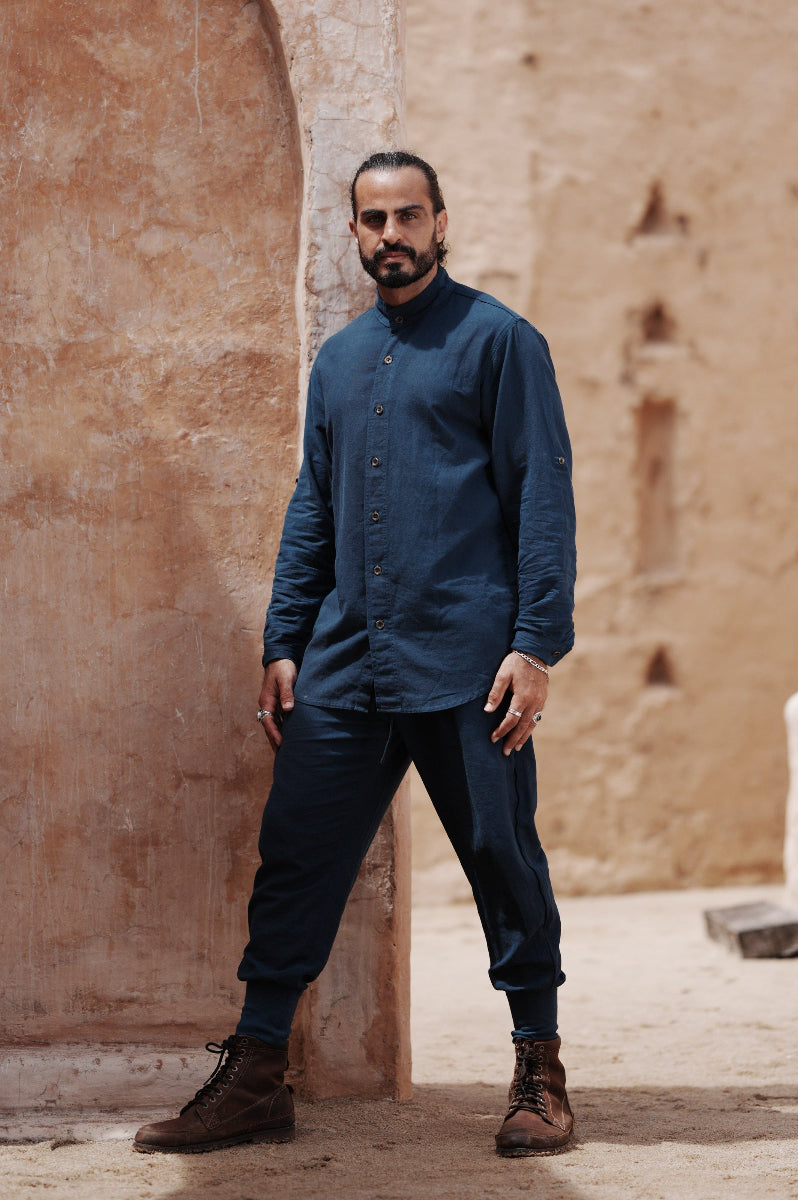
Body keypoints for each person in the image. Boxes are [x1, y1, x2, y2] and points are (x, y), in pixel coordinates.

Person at [134, 150, 577, 1158]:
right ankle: (255, 1073)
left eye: (407, 216)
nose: (391, 235)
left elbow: (541, 500)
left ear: (440, 221)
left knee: (503, 859)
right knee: (294, 858)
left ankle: (538, 1068)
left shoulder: (500, 343)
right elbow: (313, 511)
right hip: (344, 661)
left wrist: (533, 644)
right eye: (373, 219)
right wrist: (283, 640)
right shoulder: (337, 361)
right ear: (353, 232)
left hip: (468, 663)